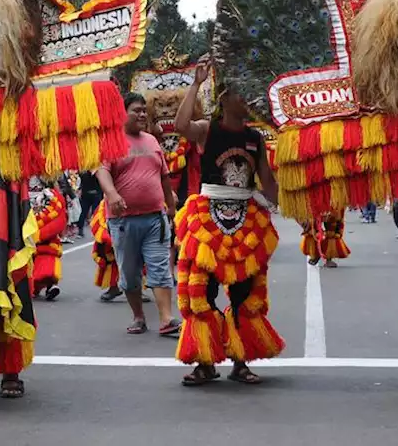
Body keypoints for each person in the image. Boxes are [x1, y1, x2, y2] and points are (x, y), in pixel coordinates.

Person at [173, 63, 283, 386]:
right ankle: (204, 361)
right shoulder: (209, 129)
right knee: (201, 291)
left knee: (244, 292)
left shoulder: (255, 139)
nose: (247, 99)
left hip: (244, 220)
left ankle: (240, 360)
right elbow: (181, 125)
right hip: (207, 221)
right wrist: (196, 84)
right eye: (241, 93)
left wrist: (296, 208)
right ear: (225, 97)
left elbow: (267, 181)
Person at [98, 93, 179, 338]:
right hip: (123, 221)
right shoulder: (110, 142)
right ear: (122, 113)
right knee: (130, 272)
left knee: (160, 267)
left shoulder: (153, 141)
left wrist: (171, 206)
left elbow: (164, 176)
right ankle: (138, 317)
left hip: (155, 218)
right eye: (137, 110)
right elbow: (102, 172)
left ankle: (166, 319)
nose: (143, 114)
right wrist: (112, 194)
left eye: (144, 110)